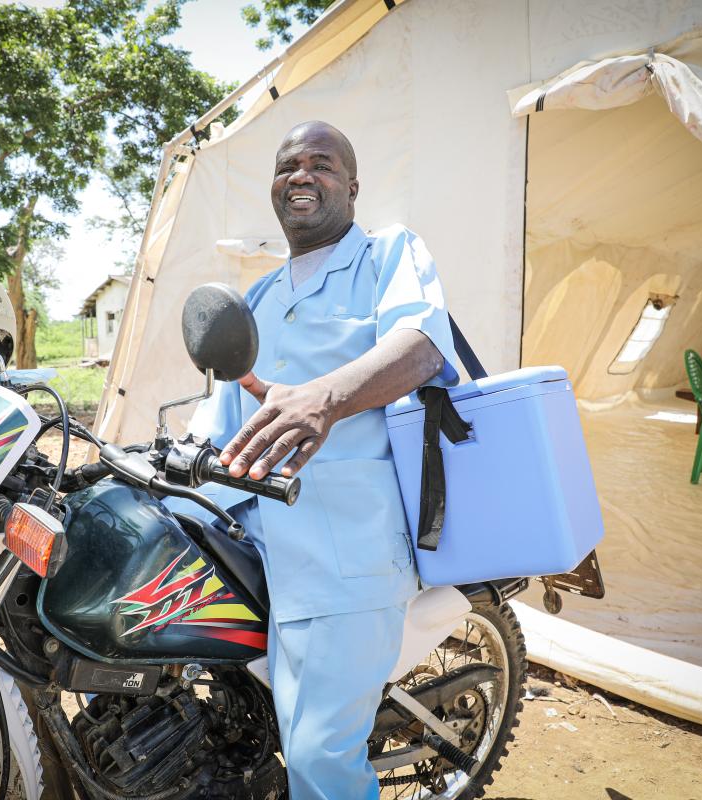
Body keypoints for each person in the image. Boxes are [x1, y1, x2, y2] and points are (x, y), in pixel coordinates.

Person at [180, 120, 459, 799]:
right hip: (250, 553)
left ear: (353, 186)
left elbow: (422, 345)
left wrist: (326, 398)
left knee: (318, 762)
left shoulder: (386, 253)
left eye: (321, 164)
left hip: (346, 554)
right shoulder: (262, 297)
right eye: (287, 165)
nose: (301, 175)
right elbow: (217, 427)